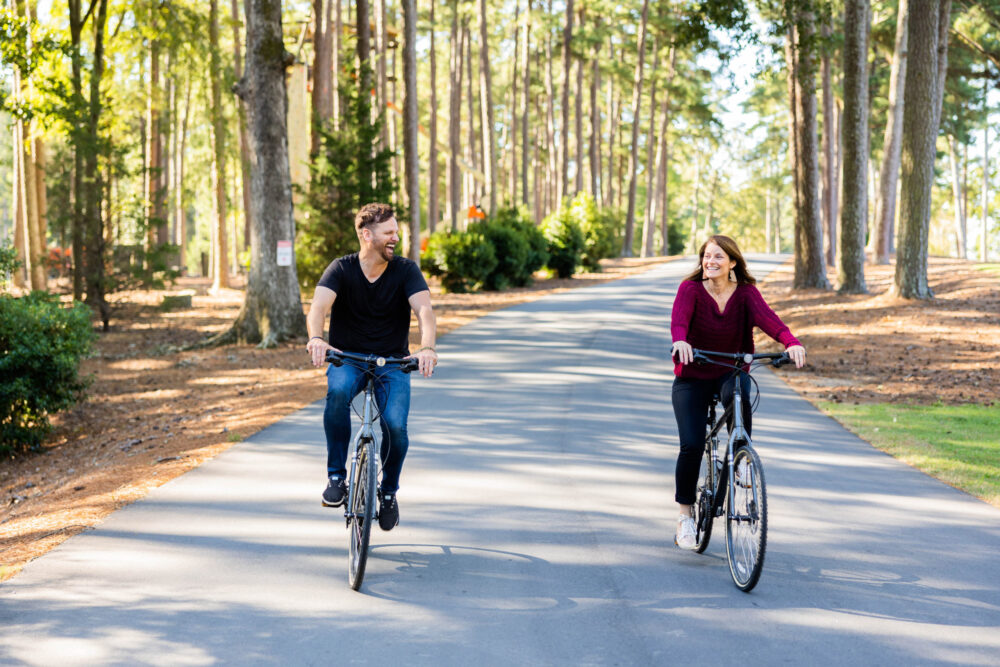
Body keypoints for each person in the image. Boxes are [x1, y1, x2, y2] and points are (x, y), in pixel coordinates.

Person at [306, 202, 438, 531]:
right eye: (389, 232)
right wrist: (317, 339)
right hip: (347, 358)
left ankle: (388, 492)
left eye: (397, 232)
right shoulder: (341, 268)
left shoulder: (406, 270)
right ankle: (336, 477)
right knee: (337, 393)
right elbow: (318, 307)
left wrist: (427, 347)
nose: (396, 238)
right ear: (367, 235)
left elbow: (424, 311)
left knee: (395, 427)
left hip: (392, 363)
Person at [669, 235, 805, 550]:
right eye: (707, 256)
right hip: (693, 375)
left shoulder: (745, 294)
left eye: (718, 256)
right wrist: (681, 341)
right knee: (691, 445)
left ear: (732, 262)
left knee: (740, 392)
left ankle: (741, 457)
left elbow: (771, 321)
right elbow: (679, 322)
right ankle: (685, 517)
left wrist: (791, 342)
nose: (710, 261)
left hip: (730, 371)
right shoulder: (690, 289)